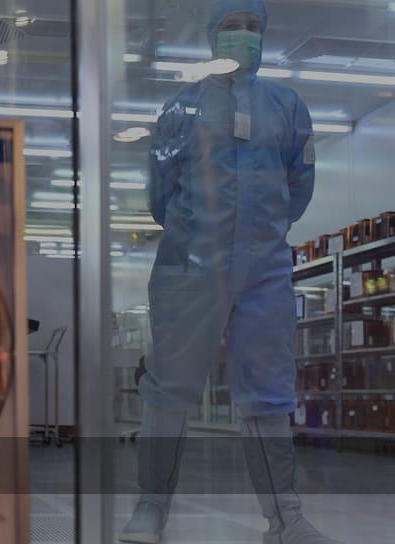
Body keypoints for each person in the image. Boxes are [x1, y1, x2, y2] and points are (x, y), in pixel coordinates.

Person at [120, 1, 342, 543]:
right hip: (192, 265)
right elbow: (160, 193)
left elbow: (299, 183)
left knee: (269, 390)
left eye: (253, 26)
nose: (244, 35)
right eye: (231, 25)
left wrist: (260, 233)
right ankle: (151, 507)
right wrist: (199, 235)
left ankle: (285, 518)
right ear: (210, 35)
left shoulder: (287, 106)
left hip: (264, 271)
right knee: (170, 385)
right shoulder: (182, 107)